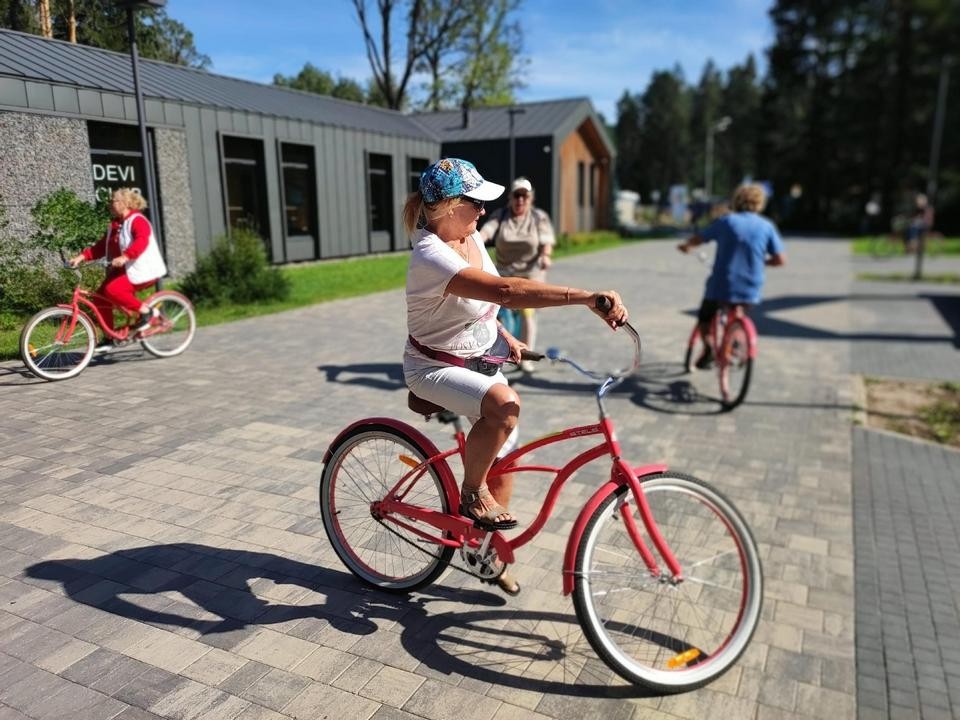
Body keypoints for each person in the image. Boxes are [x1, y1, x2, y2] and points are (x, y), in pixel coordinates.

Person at [402, 158, 627, 594]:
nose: (484, 211)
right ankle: (471, 492)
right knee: (506, 407)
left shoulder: (466, 236)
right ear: (448, 206)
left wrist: (502, 331)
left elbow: (482, 298)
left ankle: (483, 550)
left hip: (477, 358)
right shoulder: (431, 254)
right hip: (434, 367)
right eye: (475, 202)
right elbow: (506, 290)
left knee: (505, 460)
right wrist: (585, 297)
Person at [677, 183, 785, 368]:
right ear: (760, 203)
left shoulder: (726, 221)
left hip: (722, 284)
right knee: (738, 310)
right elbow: (780, 260)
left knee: (705, 316)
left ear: (736, 201)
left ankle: (709, 348)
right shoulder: (767, 226)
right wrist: (761, 263)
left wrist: (687, 246)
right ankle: (735, 341)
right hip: (751, 287)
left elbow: (700, 238)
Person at [68, 188, 167, 346]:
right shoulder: (115, 226)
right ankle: (110, 337)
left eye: (113, 201)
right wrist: (81, 257)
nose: (110, 204)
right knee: (99, 298)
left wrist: (126, 256)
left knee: (113, 290)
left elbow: (142, 241)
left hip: (143, 269)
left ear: (125, 203)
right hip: (124, 270)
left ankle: (148, 312)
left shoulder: (138, 220)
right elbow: (101, 247)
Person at [480, 177, 556, 373]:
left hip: (530, 275)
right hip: (504, 274)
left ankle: (526, 357)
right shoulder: (501, 215)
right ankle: (494, 355)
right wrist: (477, 240)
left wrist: (545, 256)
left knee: (527, 314)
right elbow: (488, 231)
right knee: (490, 315)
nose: (520, 200)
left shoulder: (539, 218)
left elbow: (546, 241)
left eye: (524, 196)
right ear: (511, 198)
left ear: (530, 198)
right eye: (517, 195)